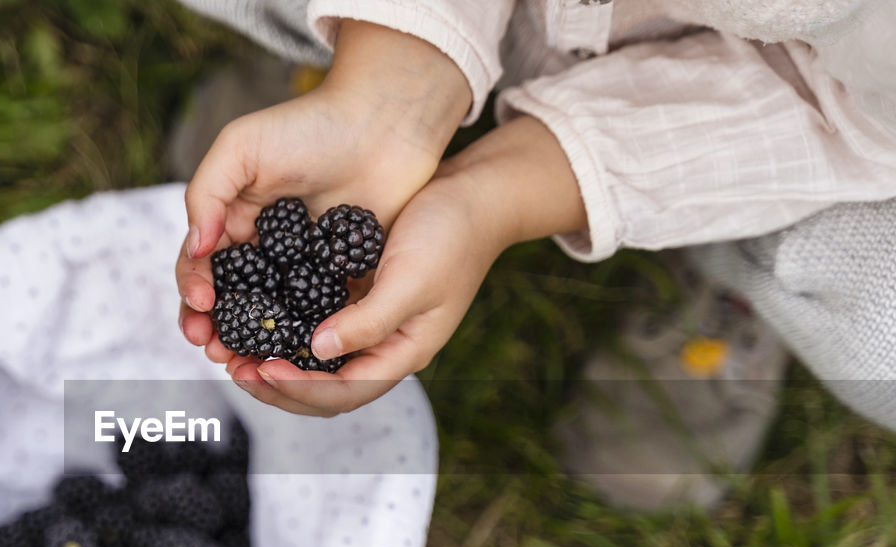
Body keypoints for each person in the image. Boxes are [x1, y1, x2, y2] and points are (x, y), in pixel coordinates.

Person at [170, 1, 896, 508]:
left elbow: (845, 113)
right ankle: (358, 66)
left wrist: (501, 193)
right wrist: (394, 84)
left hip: (803, 115)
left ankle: (729, 264)